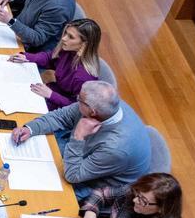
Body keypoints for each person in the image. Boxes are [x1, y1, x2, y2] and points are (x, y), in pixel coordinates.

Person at [13, 80, 153, 198]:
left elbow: (73, 176)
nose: (76, 100)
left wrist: (78, 137)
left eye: (79, 99)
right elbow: (61, 116)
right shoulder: (106, 105)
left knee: (33, 195)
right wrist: (30, 128)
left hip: (95, 184)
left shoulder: (117, 148)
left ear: (92, 112)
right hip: (82, 156)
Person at [9, 18, 101, 110]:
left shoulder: (83, 77)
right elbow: (49, 58)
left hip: (59, 107)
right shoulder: (68, 50)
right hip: (49, 92)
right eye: (66, 33)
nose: (64, 38)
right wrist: (27, 57)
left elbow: (77, 108)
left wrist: (51, 95)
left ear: (84, 44)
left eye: (71, 37)